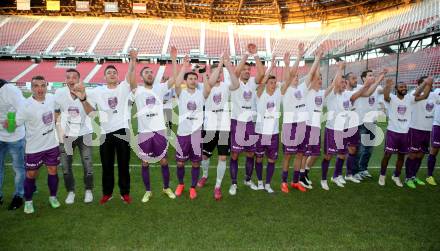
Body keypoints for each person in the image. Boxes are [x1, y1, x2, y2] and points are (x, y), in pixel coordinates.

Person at [73, 49, 138, 204]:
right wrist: (82, 99)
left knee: (123, 165)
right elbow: (90, 113)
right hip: (105, 133)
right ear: (104, 76)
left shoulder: (123, 87)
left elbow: (130, 73)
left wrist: (133, 60)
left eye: (114, 72)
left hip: (123, 131)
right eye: (108, 72)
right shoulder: (97, 91)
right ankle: (107, 193)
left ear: (117, 75)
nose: (112, 74)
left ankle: (125, 193)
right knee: (107, 166)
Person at [321, 61, 376, 189]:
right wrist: (340, 68)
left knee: (342, 154)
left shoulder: (347, 95)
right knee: (328, 156)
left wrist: (367, 85)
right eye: (342, 82)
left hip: (344, 129)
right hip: (333, 130)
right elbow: (336, 83)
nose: (344, 84)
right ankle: (323, 179)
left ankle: (336, 176)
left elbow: (359, 93)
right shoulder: (331, 95)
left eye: (344, 83)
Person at [134, 46, 177, 202]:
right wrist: (133, 60)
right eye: (146, 72)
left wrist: (174, 58)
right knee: (145, 163)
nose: (149, 74)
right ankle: (148, 191)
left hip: (159, 131)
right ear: (141, 76)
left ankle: (166, 188)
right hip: (144, 132)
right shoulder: (137, 90)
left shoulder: (159, 88)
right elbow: (129, 80)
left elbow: (175, 78)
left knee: (163, 161)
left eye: (151, 72)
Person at [14, 76, 61, 214]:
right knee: (31, 174)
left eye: (42, 85)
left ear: (47, 86)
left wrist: (57, 115)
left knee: (53, 171)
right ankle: (28, 201)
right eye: (36, 86)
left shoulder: (52, 98)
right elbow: (15, 122)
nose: (40, 89)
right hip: (34, 147)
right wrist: (7, 122)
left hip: (52, 144)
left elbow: (58, 108)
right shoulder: (25, 105)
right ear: (31, 88)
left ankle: (53, 197)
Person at [197, 53, 240, 200]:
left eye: (221, 72)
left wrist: (226, 64)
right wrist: (220, 63)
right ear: (212, 73)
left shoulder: (226, 86)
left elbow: (236, 84)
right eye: (218, 71)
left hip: (223, 128)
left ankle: (217, 186)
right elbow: (209, 85)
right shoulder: (206, 86)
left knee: (222, 158)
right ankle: (205, 175)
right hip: (209, 127)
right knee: (205, 155)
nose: (220, 74)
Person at [379, 78, 432, 187]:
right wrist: (388, 85)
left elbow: (423, 95)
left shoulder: (409, 98)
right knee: (387, 155)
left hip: (405, 133)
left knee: (401, 156)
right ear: (396, 89)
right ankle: (382, 175)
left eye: (404, 87)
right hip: (393, 131)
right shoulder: (392, 98)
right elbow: (385, 96)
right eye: (401, 87)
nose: (404, 88)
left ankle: (396, 176)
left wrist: (426, 83)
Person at [54, 69, 94, 204]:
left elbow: (92, 114)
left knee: (87, 165)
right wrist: (60, 130)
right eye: (68, 77)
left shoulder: (88, 93)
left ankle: (88, 190)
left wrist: (83, 98)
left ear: (79, 79)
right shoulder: (59, 94)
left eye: (74, 77)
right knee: (65, 167)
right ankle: (70, 191)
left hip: (85, 133)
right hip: (66, 135)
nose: (71, 80)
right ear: (65, 80)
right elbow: (57, 113)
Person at [229, 43, 265, 194]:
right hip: (237, 122)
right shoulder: (234, 82)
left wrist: (255, 54)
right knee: (235, 154)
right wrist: (245, 54)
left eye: (248, 70)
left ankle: (248, 179)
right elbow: (236, 71)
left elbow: (261, 73)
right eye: (244, 69)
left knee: (251, 153)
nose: (246, 71)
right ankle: (234, 183)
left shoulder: (252, 83)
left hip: (249, 123)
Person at [174, 55, 205, 200]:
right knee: (180, 162)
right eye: (190, 78)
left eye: (195, 78)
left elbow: (209, 84)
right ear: (186, 81)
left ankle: (192, 187)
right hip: (183, 134)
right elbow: (176, 82)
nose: (193, 80)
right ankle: (181, 184)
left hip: (197, 134)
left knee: (196, 162)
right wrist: (184, 66)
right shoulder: (181, 93)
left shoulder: (201, 94)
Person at [280, 43, 310, 193]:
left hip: (301, 126)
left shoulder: (302, 89)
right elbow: (289, 75)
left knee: (299, 154)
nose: (296, 78)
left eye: (298, 76)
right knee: (288, 156)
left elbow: (311, 76)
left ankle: (295, 181)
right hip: (290, 126)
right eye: (295, 76)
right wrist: (296, 57)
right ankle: (284, 182)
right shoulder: (285, 90)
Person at [351, 70, 386, 180]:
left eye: (373, 76)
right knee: (360, 148)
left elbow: (384, 91)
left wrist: (388, 84)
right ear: (363, 78)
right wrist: (379, 79)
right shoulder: (359, 88)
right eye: (370, 76)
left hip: (372, 122)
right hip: (362, 122)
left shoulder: (377, 88)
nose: (372, 77)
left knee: (369, 149)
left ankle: (363, 169)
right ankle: (355, 171)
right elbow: (369, 92)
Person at [255, 57, 282, 193]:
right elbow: (261, 83)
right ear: (266, 84)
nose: (273, 84)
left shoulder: (278, 95)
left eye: (274, 82)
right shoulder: (260, 95)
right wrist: (271, 67)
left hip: (273, 133)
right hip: (260, 132)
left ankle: (267, 184)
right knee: (259, 158)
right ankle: (260, 181)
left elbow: (287, 82)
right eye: (270, 82)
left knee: (271, 160)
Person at [405, 76, 437, 188]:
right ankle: (408, 178)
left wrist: (429, 84)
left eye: (429, 83)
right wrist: (425, 84)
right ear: (419, 84)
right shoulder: (415, 93)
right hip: (415, 129)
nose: (428, 84)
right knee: (413, 154)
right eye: (424, 83)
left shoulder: (434, 95)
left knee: (421, 155)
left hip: (427, 130)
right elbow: (417, 94)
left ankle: (414, 176)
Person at [0, 79, 25, 210]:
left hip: (15, 136)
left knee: (18, 168)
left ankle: (18, 196)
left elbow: (24, 108)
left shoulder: (9, 90)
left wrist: (14, 121)